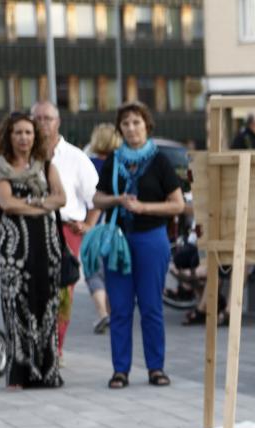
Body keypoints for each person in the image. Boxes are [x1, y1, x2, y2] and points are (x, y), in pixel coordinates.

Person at [91, 101, 185, 390]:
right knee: (119, 307)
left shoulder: (159, 161)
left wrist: (145, 207)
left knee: (151, 307)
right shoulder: (114, 160)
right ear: (120, 129)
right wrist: (117, 201)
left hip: (151, 238)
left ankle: (156, 368)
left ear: (147, 125)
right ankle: (121, 370)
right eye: (126, 123)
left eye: (136, 122)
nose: (131, 128)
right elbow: (97, 199)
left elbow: (178, 204)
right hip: (119, 239)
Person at [0, 112, 66, 389]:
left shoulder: (45, 166)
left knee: (46, 305)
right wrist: (41, 202)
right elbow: (8, 204)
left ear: (36, 136)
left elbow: (61, 198)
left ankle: (47, 372)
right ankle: (19, 373)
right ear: (8, 136)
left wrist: (32, 202)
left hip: (47, 246)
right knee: (16, 306)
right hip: (15, 248)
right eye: (18, 132)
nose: (24, 138)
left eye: (28, 132)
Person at [30, 101, 101, 357]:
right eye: (37, 117)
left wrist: (89, 223)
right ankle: (36, 344)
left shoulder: (75, 157)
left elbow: (97, 197)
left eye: (47, 118)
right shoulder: (23, 156)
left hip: (66, 229)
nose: (42, 123)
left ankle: (55, 349)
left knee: (62, 290)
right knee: (33, 288)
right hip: (32, 226)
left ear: (57, 122)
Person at [83, 123, 120, 334]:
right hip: (116, 228)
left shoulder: (88, 164)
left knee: (93, 272)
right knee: (112, 271)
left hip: (93, 226)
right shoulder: (120, 164)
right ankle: (114, 315)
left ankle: (103, 314)